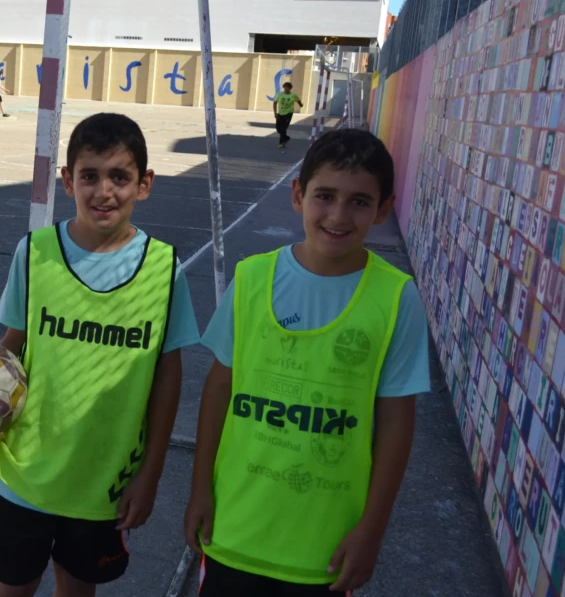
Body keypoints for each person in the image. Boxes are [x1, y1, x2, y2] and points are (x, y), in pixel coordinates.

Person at [0, 112, 201, 597]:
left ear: (144, 184)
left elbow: (168, 375)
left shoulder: (164, 271)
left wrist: (152, 473)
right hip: (27, 470)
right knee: (9, 585)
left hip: (106, 480)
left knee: (78, 586)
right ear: (68, 181)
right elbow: (11, 344)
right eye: (90, 176)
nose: (104, 191)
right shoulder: (37, 253)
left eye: (120, 177)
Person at [184, 128, 430, 596]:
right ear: (299, 195)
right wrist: (200, 489)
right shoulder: (252, 277)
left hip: (324, 546)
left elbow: (397, 423)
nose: (338, 215)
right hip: (234, 528)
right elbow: (218, 389)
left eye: (359, 202)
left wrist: (372, 529)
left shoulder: (397, 299)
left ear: (382, 209)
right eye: (325, 196)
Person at [273, 81, 303, 151]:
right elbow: (274, 103)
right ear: (283, 87)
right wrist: (275, 113)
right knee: (278, 128)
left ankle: (281, 143)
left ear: (290, 88)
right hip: (280, 113)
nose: (286, 89)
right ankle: (286, 138)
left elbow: (298, 100)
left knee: (283, 128)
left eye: (288, 87)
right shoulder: (280, 95)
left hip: (289, 113)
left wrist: (300, 104)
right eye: (285, 87)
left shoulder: (293, 95)